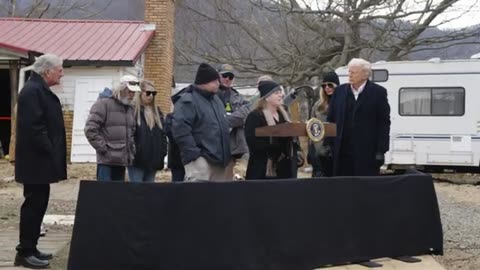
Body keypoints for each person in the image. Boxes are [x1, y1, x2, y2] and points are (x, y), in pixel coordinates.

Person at [14, 54, 67, 269]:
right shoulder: (32, 92)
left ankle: (31, 247)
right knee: (33, 206)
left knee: (39, 204)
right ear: (47, 71)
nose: (62, 73)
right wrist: (50, 149)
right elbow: (34, 128)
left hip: (41, 162)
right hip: (35, 161)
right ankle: (24, 252)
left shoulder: (39, 90)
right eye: (59, 70)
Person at [327, 58, 391, 176]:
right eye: (349, 72)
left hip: (367, 153)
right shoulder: (339, 92)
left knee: (365, 189)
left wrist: (381, 150)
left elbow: (384, 123)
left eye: (353, 72)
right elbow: (331, 119)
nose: (350, 75)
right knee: (343, 188)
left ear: (365, 75)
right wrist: (329, 145)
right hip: (341, 152)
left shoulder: (378, 92)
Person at [171, 63, 231, 181]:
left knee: (218, 198)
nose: (218, 84)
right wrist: (195, 156)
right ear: (204, 82)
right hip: (200, 161)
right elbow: (180, 130)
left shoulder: (217, 100)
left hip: (219, 161)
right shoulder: (188, 100)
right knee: (197, 197)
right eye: (214, 81)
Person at [84, 75, 140, 181]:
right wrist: (104, 149)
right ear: (122, 89)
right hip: (106, 162)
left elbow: (131, 131)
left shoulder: (129, 108)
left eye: (134, 92)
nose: (132, 95)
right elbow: (90, 129)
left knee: (117, 195)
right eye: (130, 91)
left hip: (122, 161)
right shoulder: (103, 103)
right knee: (104, 195)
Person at [244, 80, 300, 180]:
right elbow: (253, 143)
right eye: (276, 93)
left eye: (281, 92)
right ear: (267, 97)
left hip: (285, 169)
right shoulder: (255, 116)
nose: (281, 95)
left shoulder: (284, 115)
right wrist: (276, 148)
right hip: (262, 170)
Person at [128, 80, 168, 182]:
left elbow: (163, 135)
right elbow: (129, 134)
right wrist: (134, 152)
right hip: (137, 160)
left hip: (153, 160)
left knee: (149, 194)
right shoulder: (133, 111)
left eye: (154, 93)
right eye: (148, 93)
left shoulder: (157, 113)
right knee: (137, 193)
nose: (151, 96)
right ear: (140, 93)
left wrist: (162, 152)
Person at [217, 64, 251, 180]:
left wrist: (223, 120)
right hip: (215, 148)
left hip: (235, 147)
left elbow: (244, 115)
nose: (227, 79)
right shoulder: (210, 95)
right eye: (225, 75)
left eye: (230, 77)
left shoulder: (239, 98)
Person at [307, 72, 339, 177]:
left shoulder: (343, 103)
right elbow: (311, 129)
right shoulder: (318, 105)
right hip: (320, 151)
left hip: (338, 150)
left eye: (330, 85)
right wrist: (311, 153)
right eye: (324, 85)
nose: (327, 88)